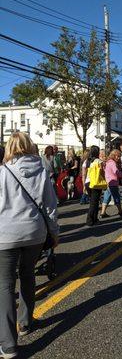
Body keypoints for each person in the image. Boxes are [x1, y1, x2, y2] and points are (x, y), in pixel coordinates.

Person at [0, 132, 58, 358]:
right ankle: (25, 323)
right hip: (35, 232)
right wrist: (54, 232)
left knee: (5, 284)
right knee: (27, 274)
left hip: (6, 234)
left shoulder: (3, 172)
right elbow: (51, 205)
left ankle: (8, 345)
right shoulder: (42, 170)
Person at [100, 149, 122, 218]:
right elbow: (117, 173)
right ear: (114, 155)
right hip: (113, 183)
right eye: (118, 156)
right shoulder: (112, 163)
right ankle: (120, 211)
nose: (118, 158)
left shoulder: (107, 162)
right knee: (117, 197)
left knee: (106, 198)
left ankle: (103, 213)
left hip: (108, 183)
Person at [85, 146, 104, 227]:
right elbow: (102, 172)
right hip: (95, 183)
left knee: (93, 202)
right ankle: (90, 220)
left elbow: (86, 172)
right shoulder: (99, 161)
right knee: (94, 202)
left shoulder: (88, 161)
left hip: (88, 182)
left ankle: (94, 219)